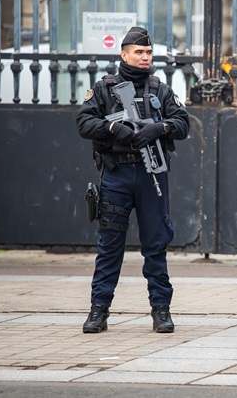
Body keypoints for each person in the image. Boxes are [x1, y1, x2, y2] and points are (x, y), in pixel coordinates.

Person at [76, 26, 190, 334]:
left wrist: (160, 128)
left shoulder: (161, 89)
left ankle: (161, 310)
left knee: (155, 243)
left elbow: (183, 123)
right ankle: (98, 310)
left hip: (152, 174)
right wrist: (113, 129)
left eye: (149, 53)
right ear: (124, 54)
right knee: (110, 245)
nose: (145, 57)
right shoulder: (103, 88)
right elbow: (84, 121)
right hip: (117, 174)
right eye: (139, 52)